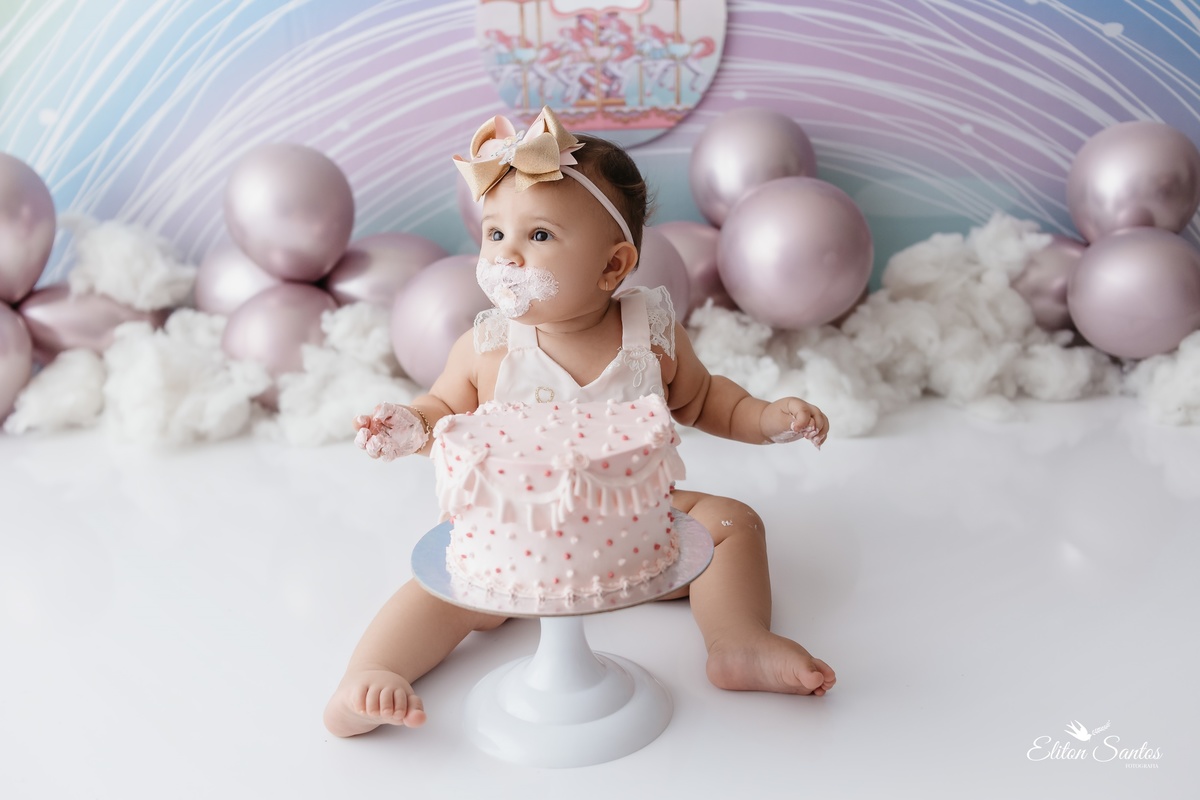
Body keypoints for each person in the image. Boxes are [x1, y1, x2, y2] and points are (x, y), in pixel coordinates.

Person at [323, 107, 834, 737]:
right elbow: (442, 412)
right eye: (494, 233)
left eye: (538, 235)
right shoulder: (488, 346)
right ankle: (370, 673)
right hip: (512, 534)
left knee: (730, 523)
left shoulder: (649, 333)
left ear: (613, 266)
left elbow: (705, 400)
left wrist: (766, 417)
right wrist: (408, 425)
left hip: (634, 524)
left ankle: (738, 640)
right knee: (450, 586)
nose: (507, 254)